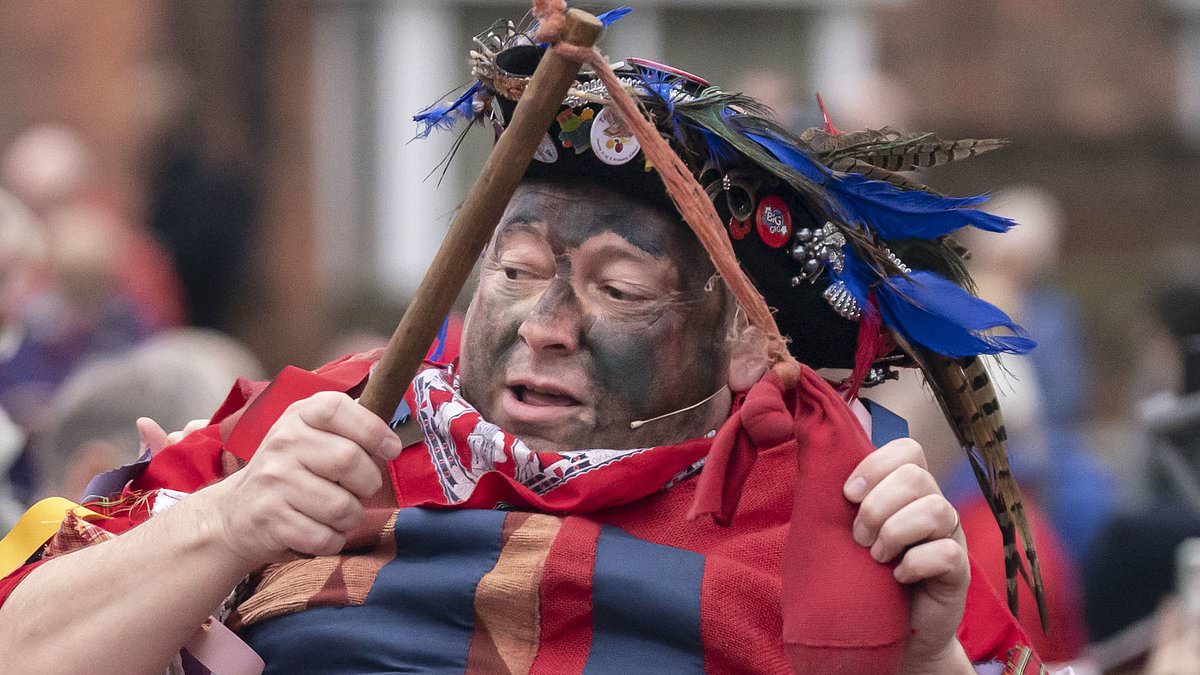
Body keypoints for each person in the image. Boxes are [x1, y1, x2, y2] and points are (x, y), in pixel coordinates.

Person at [0, 9, 1051, 674]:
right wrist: (223, 525)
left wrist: (922, 662)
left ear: (742, 343)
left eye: (618, 286)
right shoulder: (311, 436)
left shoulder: (838, 518)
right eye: (518, 270)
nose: (545, 328)